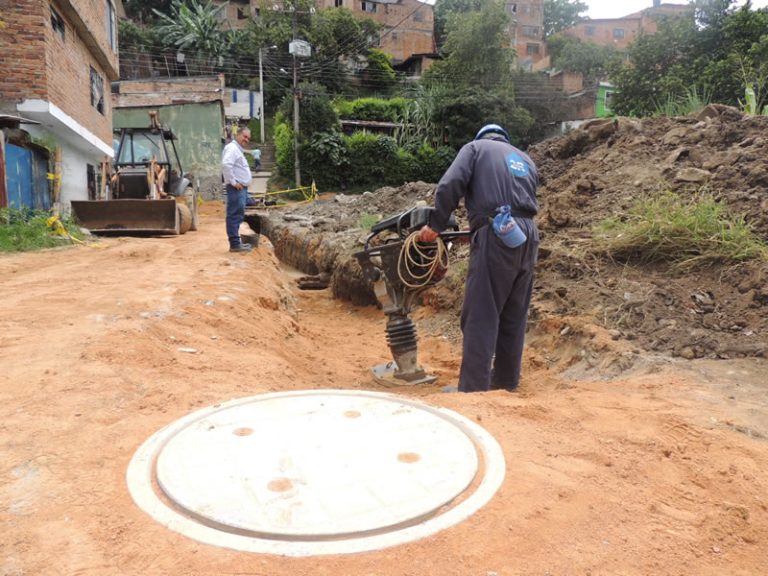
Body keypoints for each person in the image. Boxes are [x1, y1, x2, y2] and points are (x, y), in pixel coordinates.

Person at [418, 124, 539, 393]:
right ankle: (506, 380)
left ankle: (473, 388)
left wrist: (436, 224)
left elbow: (450, 184)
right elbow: (516, 201)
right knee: (514, 311)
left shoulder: (475, 149)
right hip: (528, 235)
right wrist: (477, 227)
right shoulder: (526, 159)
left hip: (498, 232)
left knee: (481, 311)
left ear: (482, 137)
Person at [221, 126, 254, 253]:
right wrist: (234, 182)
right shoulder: (232, 148)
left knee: (238, 214)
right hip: (236, 189)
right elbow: (226, 165)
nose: (246, 140)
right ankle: (235, 244)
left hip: (240, 189)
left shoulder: (237, 150)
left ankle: (236, 243)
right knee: (234, 214)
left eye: (248, 138)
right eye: (245, 136)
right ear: (237, 135)